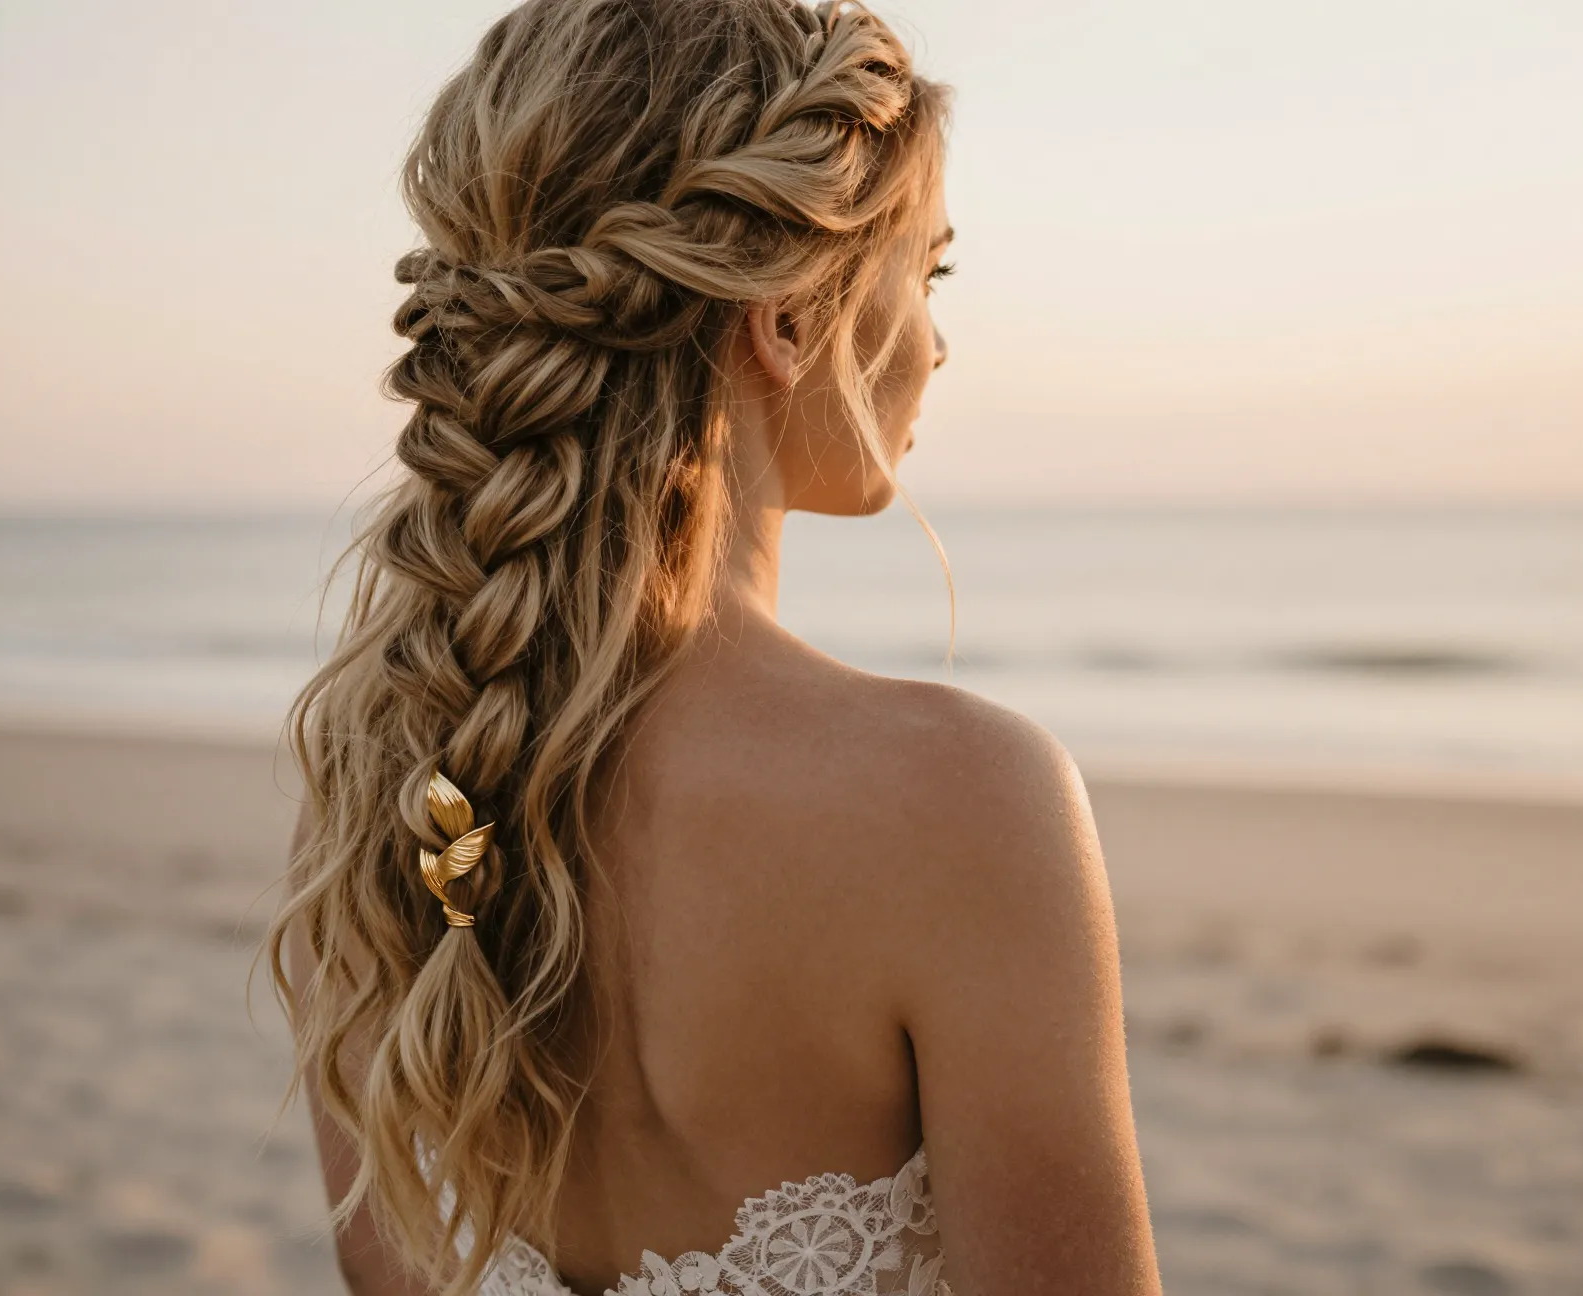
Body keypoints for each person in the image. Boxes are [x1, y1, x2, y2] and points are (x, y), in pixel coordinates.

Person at [268, 1, 1160, 1292]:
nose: (939, 341)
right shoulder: (960, 800)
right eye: (932, 272)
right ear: (789, 321)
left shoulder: (378, 799)